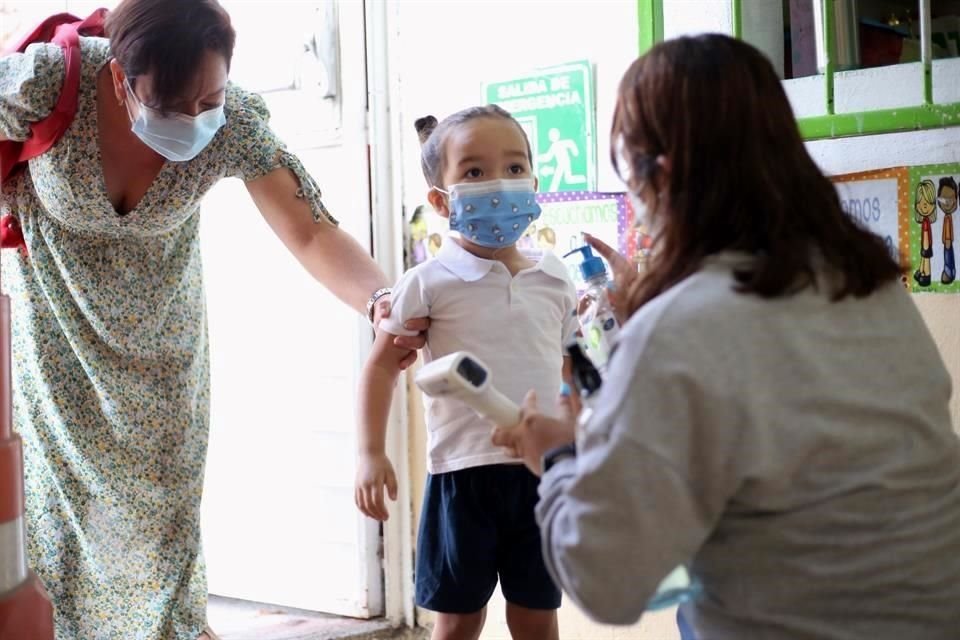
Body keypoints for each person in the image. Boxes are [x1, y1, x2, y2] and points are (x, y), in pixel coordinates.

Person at [492, 34, 960, 640]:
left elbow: (609, 584)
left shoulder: (682, 326)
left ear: (654, 172)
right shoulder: (864, 283)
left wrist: (556, 459)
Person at [0, 1, 426, 638]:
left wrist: (380, 302)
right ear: (119, 77)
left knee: (163, 539)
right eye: (176, 105)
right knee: (59, 541)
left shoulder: (233, 122)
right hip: (55, 352)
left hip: (164, 362)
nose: (198, 116)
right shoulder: (49, 84)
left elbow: (310, 232)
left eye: (212, 96)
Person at [354, 105, 578, 640]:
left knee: (536, 616)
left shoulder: (555, 278)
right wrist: (369, 452)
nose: (499, 182)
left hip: (542, 475)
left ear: (535, 181)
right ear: (440, 200)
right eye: (474, 172)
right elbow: (381, 368)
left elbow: (571, 371)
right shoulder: (428, 282)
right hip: (461, 475)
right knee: (456, 621)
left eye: (515, 167)